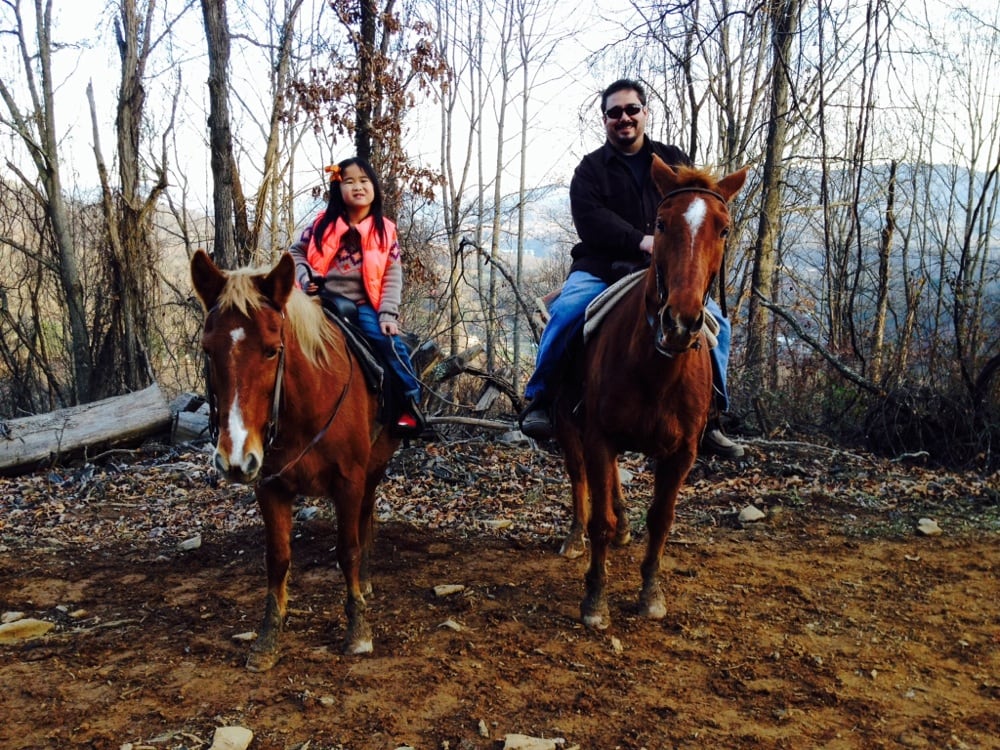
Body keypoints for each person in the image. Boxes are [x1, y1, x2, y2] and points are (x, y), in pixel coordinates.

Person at [519, 78, 744, 459]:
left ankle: (713, 415)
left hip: (664, 271)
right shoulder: (590, 170)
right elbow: (590, 220)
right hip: (602, 267)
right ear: (605, 120)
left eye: (631, 110)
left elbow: (695, 211)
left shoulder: (673, 159)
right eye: (614, 112)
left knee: (716, 327)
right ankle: (539, 398)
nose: (624, 118)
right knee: (569, 310)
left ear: (644, 113)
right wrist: (640, 240)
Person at [289, 156, 421, 430]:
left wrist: (387, 314)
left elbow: (392, 273)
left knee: (390, 344)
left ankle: (410, 405)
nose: (357, 187)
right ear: (339, 189)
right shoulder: (321, 224)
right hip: (319, 300)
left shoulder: (385, 231)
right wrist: (304, 277)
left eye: (364, 180)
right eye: (349, 181)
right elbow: (295, 252)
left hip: (363, 304)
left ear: (374, 187)